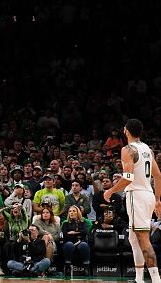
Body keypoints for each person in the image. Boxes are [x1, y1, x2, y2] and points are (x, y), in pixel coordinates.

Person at [104, 119, 161, 283]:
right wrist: (157, 200)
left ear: (126, 131)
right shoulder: (147, 149)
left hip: (136, 195)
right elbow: (157, 176)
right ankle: (138, 279)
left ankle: (156, 280)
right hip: (148, 195)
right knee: (133, 237)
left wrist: (110, 191)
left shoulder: (127, 149)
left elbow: (128, 178)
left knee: (143, 238)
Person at [61, 205, 90, 275]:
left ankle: (86, 267)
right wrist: (79, 233)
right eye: (70, 211)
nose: (71, 213)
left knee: (84, 245)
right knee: (69, 245)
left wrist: (73, 232)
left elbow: (85, 232)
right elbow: (65, 234)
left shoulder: (83, 222)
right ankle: (67, 266)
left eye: (74, 211)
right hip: (69, 242)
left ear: (78, 213)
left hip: (80, 242)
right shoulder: (65, 223)